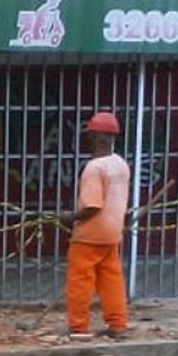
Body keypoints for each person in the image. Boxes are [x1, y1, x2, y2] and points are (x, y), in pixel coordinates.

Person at [62, 111, 131, 340]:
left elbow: (93, 205)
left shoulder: (94, 168)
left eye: (90, 134)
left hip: (90, 234)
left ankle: (78, 326)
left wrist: (70, 218)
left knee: (80, 280)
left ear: (99, 137)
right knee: (111, 279)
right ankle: (118, 324)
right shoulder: (121, 164)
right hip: (112, 233)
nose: (87, 138)